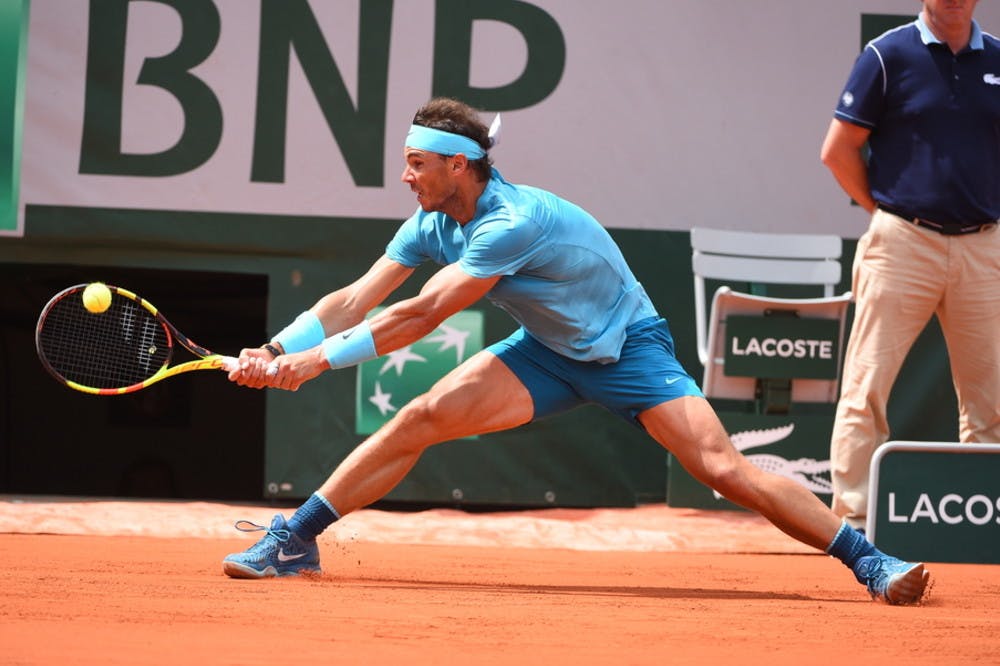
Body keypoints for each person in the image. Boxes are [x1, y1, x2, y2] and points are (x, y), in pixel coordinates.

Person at [223, 97, 929, 604]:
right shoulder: (430, 222)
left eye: (416, 164)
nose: (406, 177)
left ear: (459, 166)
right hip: (546, 352)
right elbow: (356, 298)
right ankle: (296, 539)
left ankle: (872, 563)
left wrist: (315, 365)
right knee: (420, 417)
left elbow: (422, 313)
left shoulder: (510, 222)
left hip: (630, 351)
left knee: (724, 470)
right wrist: (278, 346)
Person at [820, 0, 1000, 530]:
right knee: (865, 388)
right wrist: (885, 215)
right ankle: (854, 525)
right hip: (902, 243)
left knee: (989, 397)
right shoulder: (886, 55)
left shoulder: (997, 60)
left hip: (983, 247)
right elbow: (838, 149)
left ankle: (984, 522)